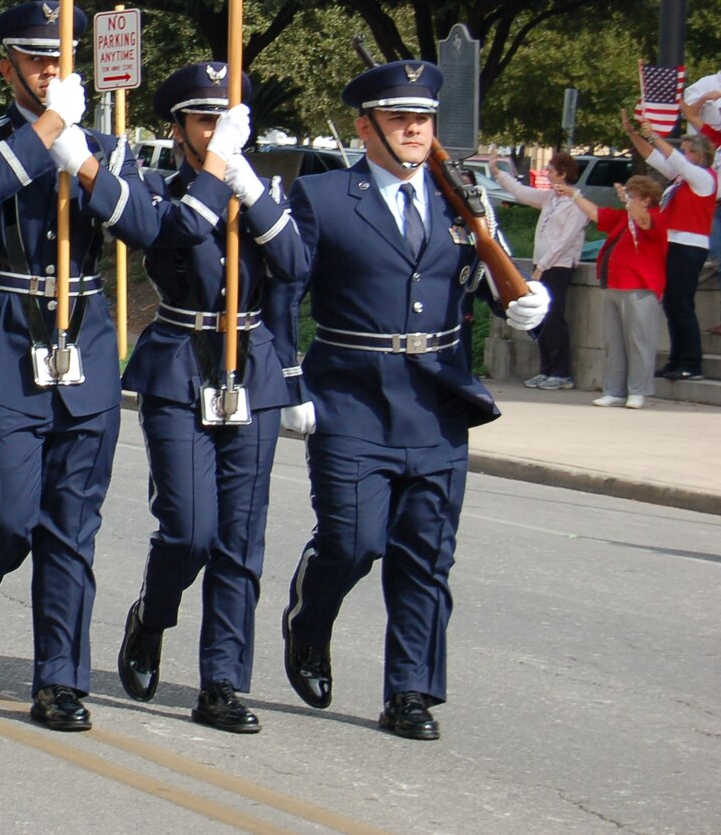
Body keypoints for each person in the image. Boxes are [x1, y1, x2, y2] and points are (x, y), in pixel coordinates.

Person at [279, 60, 549, 742]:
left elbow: (483, 273)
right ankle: (309, 621)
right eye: (398, 118)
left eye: (422, 119)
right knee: (353, 541)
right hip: (351, 395)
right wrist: (288, 383)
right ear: (365, 126)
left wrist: (520, 300)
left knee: (426, 555)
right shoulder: (324, 197)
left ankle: (411, 693)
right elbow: (283, 294)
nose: (412, 130)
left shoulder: (461, 199)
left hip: (435, 399)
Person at [0, 0, 160, 732]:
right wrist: (49, 131)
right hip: (4, 336)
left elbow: (145, 226)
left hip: (85, 339)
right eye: (34, 60)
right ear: (7, 68)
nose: (48, 70)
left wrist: (82, 159)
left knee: (71, 525)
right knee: (5, 515)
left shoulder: (104, 144)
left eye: (58, 59)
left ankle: (59, 679)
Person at [115, 63, 307, 734]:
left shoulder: (260, 192)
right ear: (178, 129)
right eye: (202, 119)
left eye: (224, 120)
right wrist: (217, 168)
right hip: (177, 366)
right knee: (190, 530)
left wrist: (248, 187)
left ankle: (222, 682)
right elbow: (174, 238)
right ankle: (152, 617)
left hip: (250, 370)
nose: (213, 130)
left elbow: (294, 265)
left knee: (238, 539)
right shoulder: (158, 191)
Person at [621, 110, 713, 381]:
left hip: (689, 246)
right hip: (672, 244)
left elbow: (674, 160)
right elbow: (655, 157)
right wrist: (634, 135)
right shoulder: (684, 178)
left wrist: (655, 134)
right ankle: (676, 359)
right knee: (672, 304)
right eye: (683, 150)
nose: (683, 155)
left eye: (688, 151)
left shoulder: (704, 178)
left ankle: (692, 362)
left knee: (682, 304)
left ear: (699, 155)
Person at [565, 174, 668, 408]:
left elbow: (643, 222)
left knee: (639, 341)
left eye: (634, 195)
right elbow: (596, 214)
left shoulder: (655, 217)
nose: (628, 198)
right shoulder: (623, 218)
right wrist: (574, 195)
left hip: (640, 287)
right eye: (628, 194)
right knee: (614, 342)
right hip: (612, 285)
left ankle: (638, 390)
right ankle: (614, 390)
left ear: (646, 199)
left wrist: (629, 203)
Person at [494, 153, 587, 390]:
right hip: (542, 265)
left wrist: (543, 266)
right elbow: (522, 192)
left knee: (554, 316)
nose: (547, 172)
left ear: (563, 174)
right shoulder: (550, 198)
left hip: (558, 266)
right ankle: (545, 369)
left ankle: (562, 372)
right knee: (542, 317)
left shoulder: (575, 204)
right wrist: (498, 172)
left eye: (551, 169)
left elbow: (564, 241)